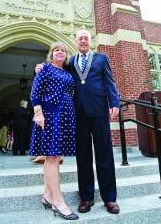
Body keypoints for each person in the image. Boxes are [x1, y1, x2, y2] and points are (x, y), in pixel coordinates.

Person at [36, 30, 120, 214]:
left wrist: (114, 102)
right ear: (76, 42)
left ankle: (110, 198)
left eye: (86, 38)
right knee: (83, 157)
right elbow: (55, 68)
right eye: (80, 38)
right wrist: (41, 67)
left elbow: (109, 81)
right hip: (78, 114)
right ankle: (86, 198)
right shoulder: (70, 62)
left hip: (99, 112)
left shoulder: (101, 58)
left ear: (91, 41)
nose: (83, 41)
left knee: (104, 154)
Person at [30, 42, 78, 220]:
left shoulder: (67, 72)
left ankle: (47, 196)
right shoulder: (45, 69)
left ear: (66, 56)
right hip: (49, 114)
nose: (60, 52)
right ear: (51, 54)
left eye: (63, 51)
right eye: (57, 50)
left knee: (55, 157)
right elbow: (35, 92)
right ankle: (58, 202)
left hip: (65, 114)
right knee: (51, 157)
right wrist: (38, 113)